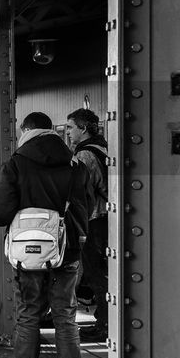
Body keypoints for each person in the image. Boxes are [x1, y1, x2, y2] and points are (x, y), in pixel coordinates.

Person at [0, 111, 92, 358]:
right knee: (65, 317)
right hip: (66, 250)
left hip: (27, 253)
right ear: (51, 131)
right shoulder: (74, 164)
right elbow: (85, 208)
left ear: (26, 130)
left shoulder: (16, 164)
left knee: (29, 315)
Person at [66, 108, 108, 340]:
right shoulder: (103, 147)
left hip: (93, 219)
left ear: (83, 129)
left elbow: (81, 192)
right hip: (106, 218)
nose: (69, 132)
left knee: (95, 272)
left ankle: (105, 324)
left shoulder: (84, 156)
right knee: (101, 271)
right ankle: (106, 320)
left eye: (71, 127)